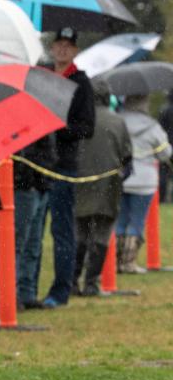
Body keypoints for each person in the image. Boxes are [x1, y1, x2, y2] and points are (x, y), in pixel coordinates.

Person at [41, 28, 96, 308]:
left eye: (68, 46)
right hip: (37, 164)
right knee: (32, 232)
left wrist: (59, 128)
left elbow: (87, 127)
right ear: (52, 49)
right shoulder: (42, 76)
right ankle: (25, 289)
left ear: (75, 51)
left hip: (64, 165)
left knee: (62, 230)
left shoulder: (81, 82)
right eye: (59, 44)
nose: (63, 50)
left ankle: (61, 290)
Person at [73, 79, 132, 294]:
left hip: (80, 183)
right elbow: (127, 158)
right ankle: (91, 282)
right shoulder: (118, 121)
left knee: (79, 233)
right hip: (108, 186)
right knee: (101, 234)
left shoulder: (79, 119)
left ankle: (72, 280)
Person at [116, 93, 172, 273]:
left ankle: (115, 261)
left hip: (121, 177)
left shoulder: (118, 121)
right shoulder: (151, 126)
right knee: (137, 221)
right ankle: (128, 262)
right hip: (145, 179)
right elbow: (165, 153)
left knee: (121, 220)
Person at [13, 133, 56, 310]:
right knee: (19, 244)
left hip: (41, 184)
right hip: (26, 186)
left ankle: (27, 293)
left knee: (33, 245)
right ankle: (13, 294)